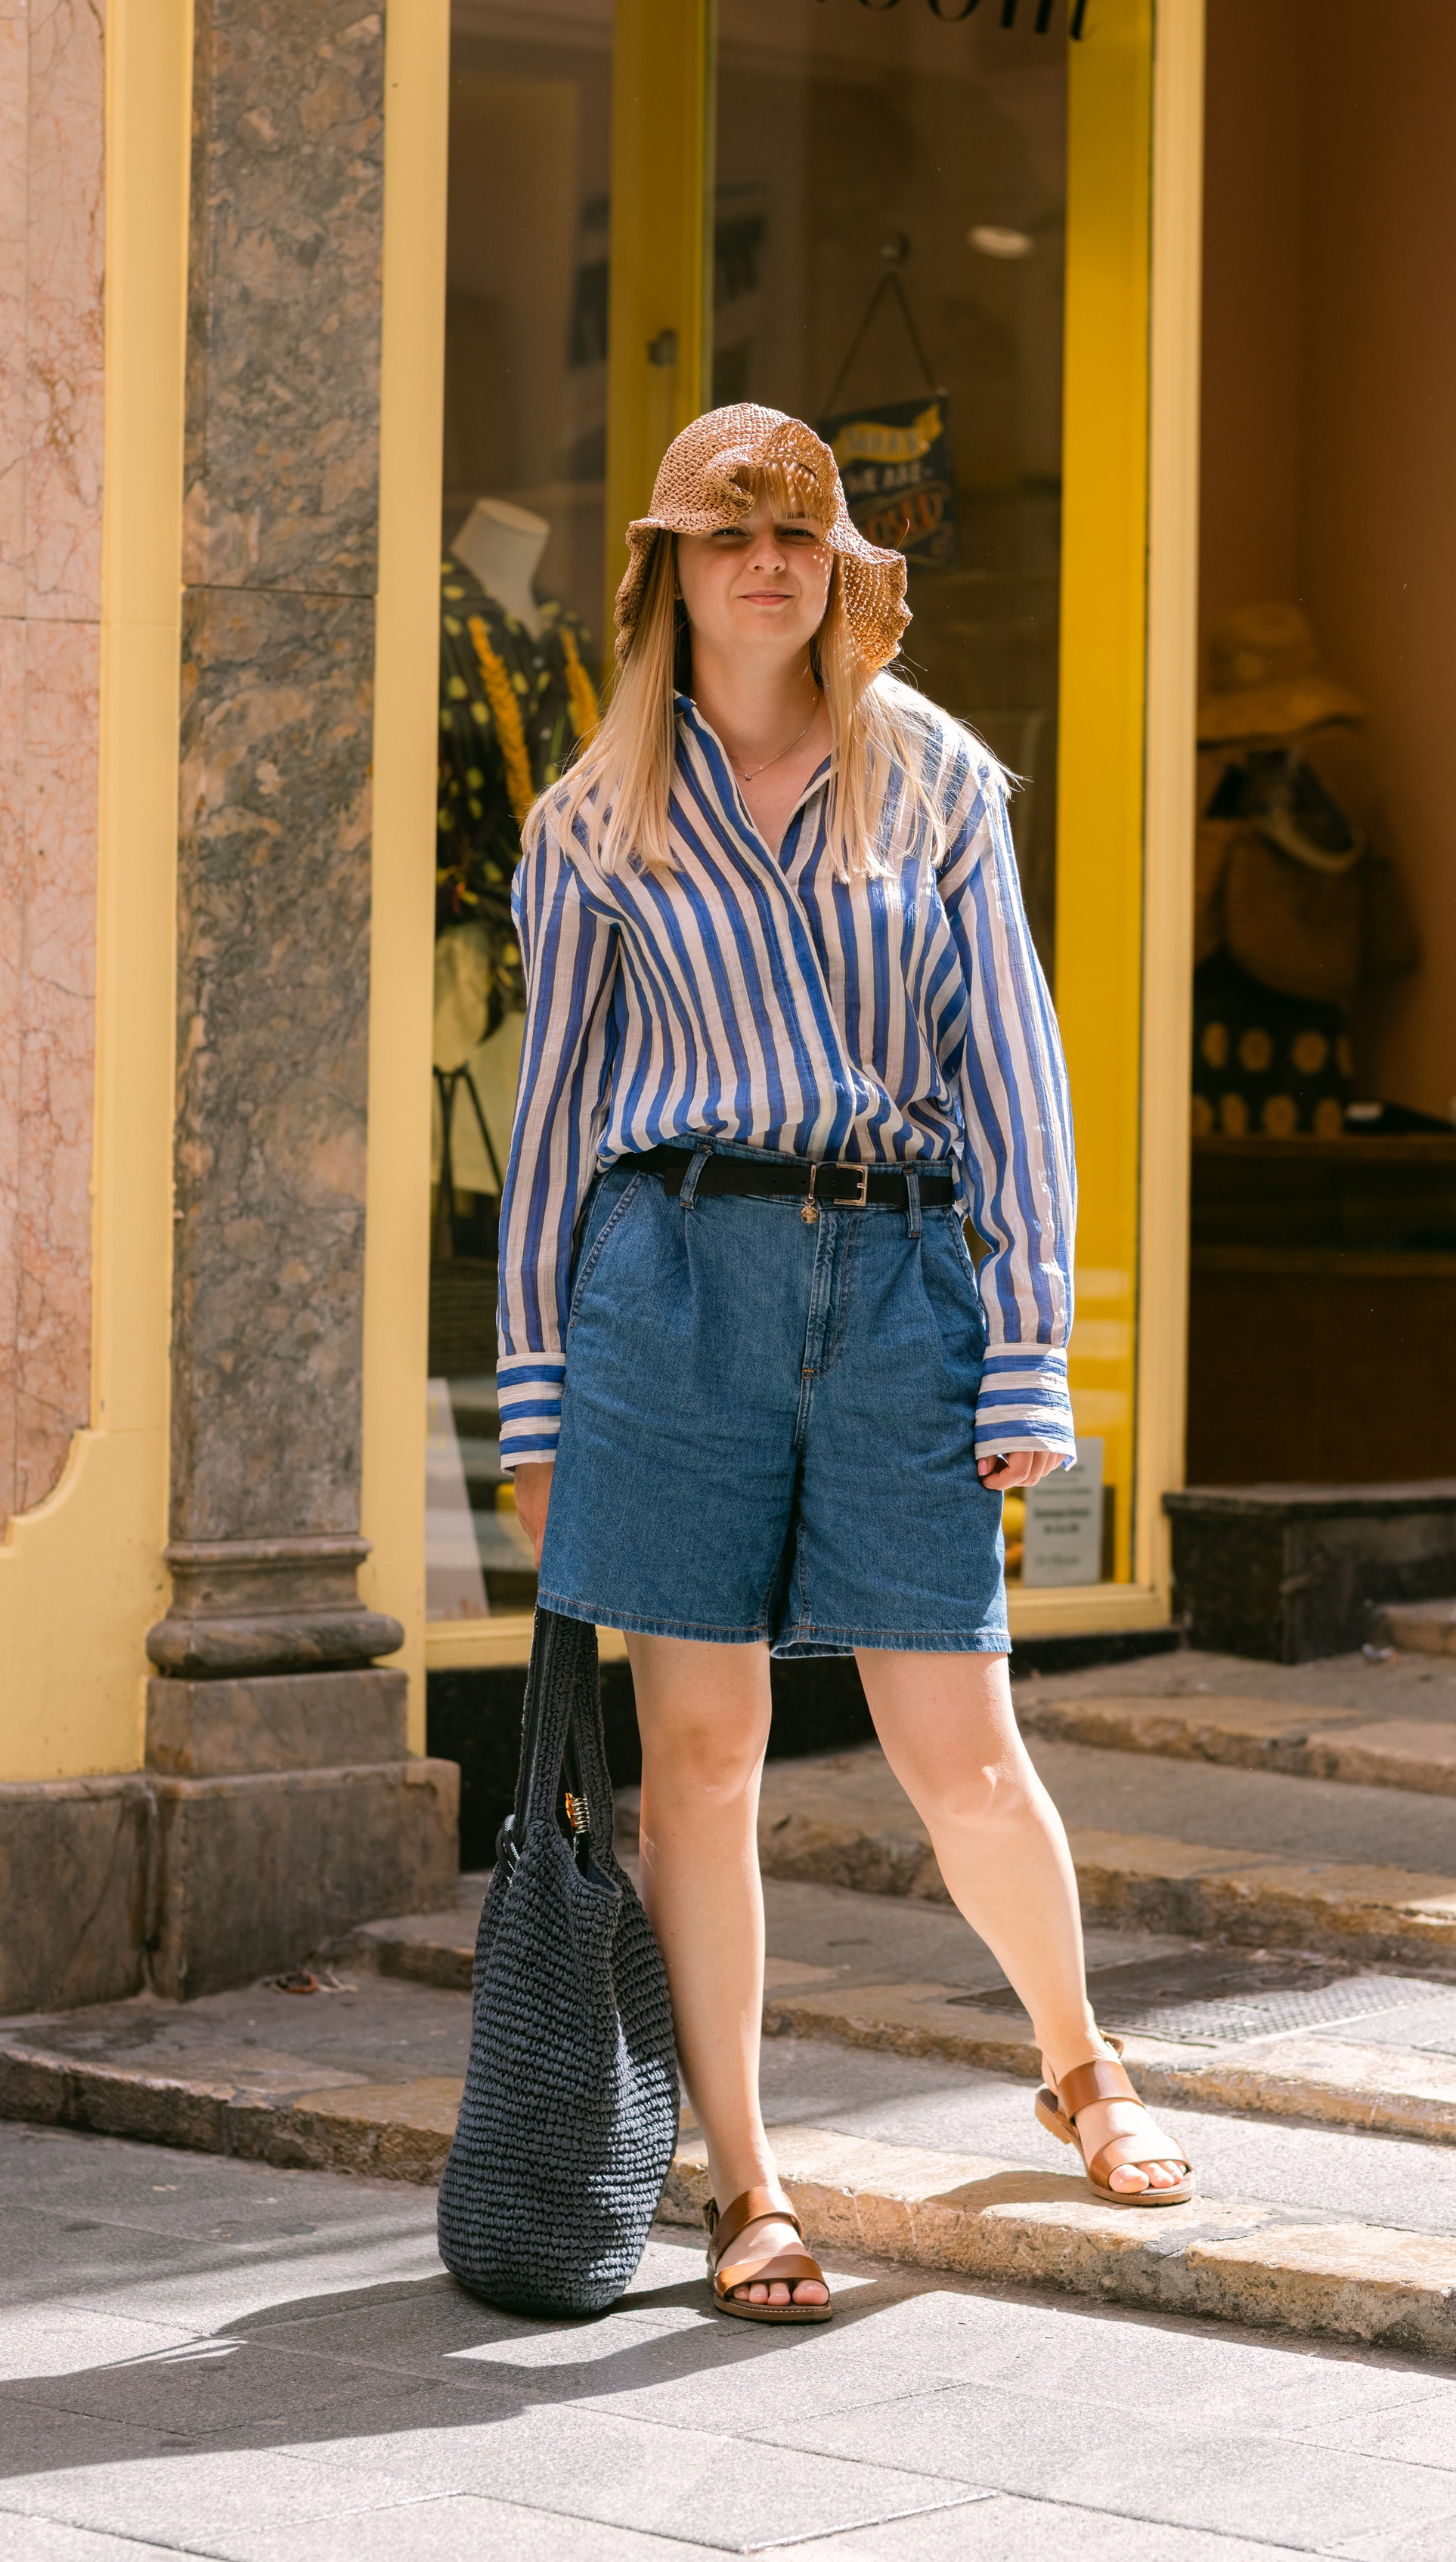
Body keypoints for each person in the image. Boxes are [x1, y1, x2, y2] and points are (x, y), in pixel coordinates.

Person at [498, 404, 1191, 2325]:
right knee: (696, 1760)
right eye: (728, 539)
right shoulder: (591, 821)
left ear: (835, 571)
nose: (766, 564)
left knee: (956, 1745)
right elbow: (551, 1128)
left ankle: (1076, 2060)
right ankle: (743, 2182)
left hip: (895, 1281)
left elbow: (1014, 1081)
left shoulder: (938, 780)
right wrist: (535, 1393)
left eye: (796, 535)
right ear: (669, 576)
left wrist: (1023, 1356)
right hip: (672, 1291)